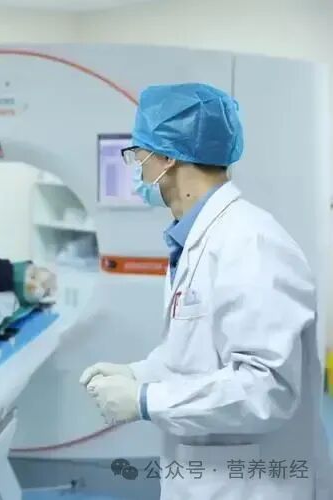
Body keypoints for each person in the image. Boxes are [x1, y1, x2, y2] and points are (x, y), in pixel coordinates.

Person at [79, 83, 332, 499]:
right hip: (210, 477)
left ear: (167, 158)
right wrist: (139, 373)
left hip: (256, 485)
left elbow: (267, 388)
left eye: (138, 155)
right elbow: (194, 357)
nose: (137, 170)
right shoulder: (197, 239)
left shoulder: (250, 243)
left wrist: (146, 400)